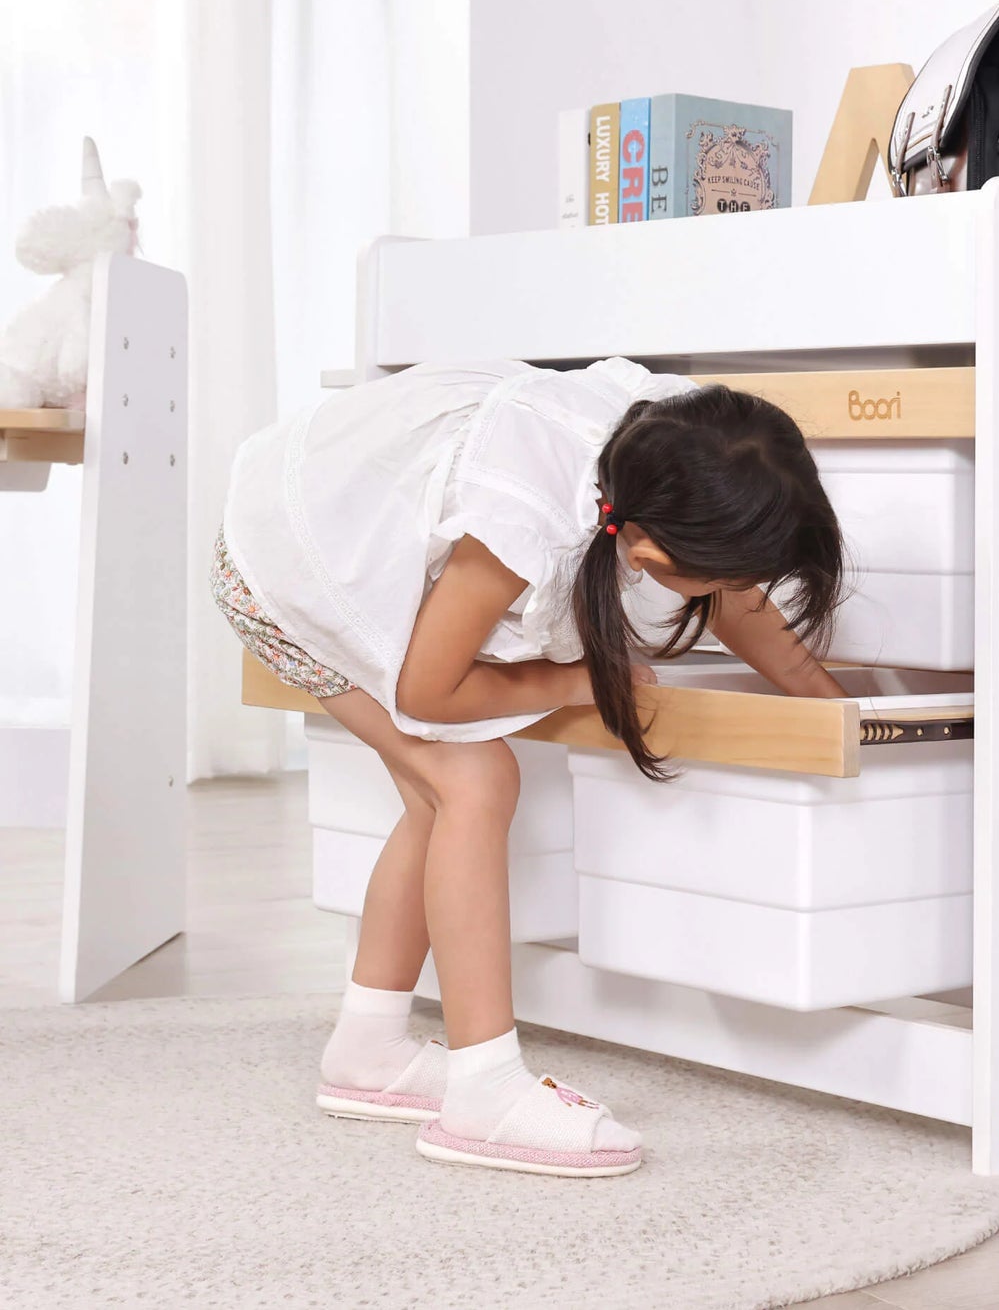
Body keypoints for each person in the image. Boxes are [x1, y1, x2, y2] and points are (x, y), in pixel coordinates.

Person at [213, 357, 847, 1176]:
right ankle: (485, 1091)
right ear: (650, 550)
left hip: (332, 519)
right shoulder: (526, 521)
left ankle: (367, 1049)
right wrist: (581, 679)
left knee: (440, 793)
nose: (738, 592)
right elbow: (429, 690)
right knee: (472, 777)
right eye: (729, 575)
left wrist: (839, 712)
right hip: (281, 565)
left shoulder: (667, 456)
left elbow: (736, 603)